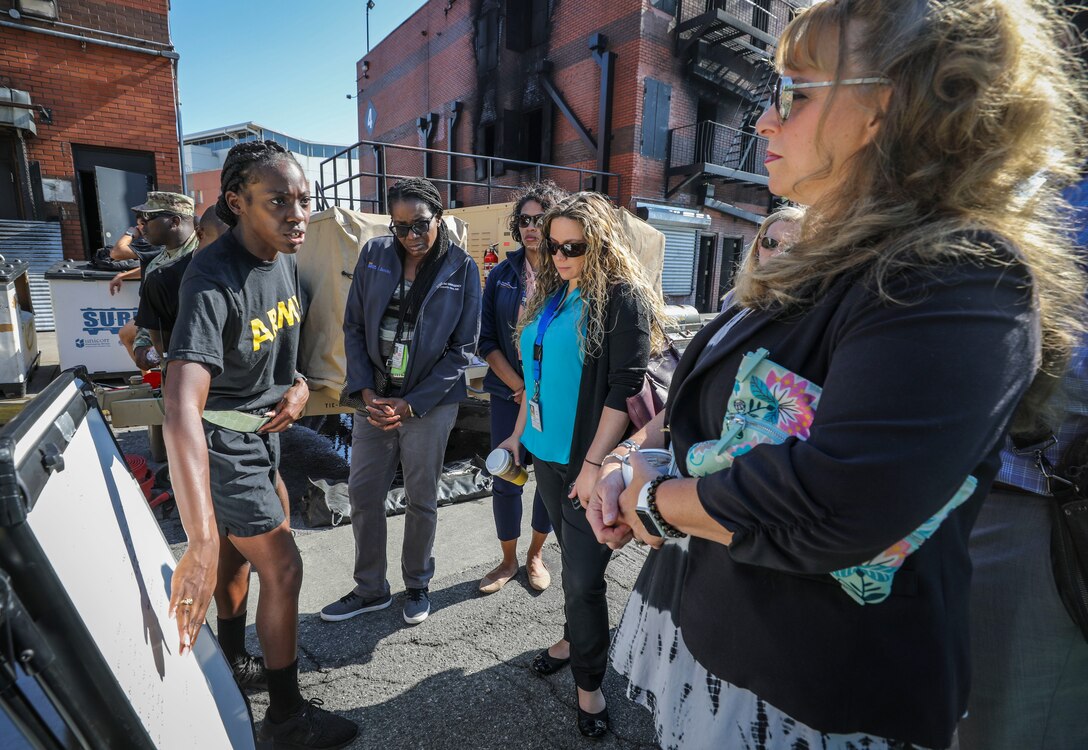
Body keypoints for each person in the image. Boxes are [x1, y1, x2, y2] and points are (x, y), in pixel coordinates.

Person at [589, 1, 1088, 748]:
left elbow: (835, 504)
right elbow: (708, 400)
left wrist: (655, 502)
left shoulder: (956, 275)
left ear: (894, 104)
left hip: (826, 693)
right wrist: (635, 458)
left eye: (794, 92)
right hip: (739, 641)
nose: (762, 121)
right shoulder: (828, 252)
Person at [164, 140, 358, 749]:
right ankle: (284, 720)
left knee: (241, 559)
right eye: (279, 202)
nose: (298, 214)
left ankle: (229, 664)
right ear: (236, 203)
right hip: (224, 444)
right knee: (284, 565)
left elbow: (278, 356)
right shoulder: (210, 279)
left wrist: (298, 386)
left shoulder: (283, 260)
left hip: (265, 436)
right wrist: (197, 540)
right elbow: (179, 406)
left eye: (304, 199)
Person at [496, 191, 668, 739]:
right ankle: (574, 640)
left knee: (585, 579)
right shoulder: (552, 295)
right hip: (546, 458)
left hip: (585, 461)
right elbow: (536, 378)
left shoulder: (621, 298)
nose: (562, 256)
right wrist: (518, 437)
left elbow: (624, 387)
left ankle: (589, 684)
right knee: (573, 564)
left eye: (575, 245)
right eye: (553, 246)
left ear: (602, 242)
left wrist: (596, 464)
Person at [321, 177, 481, 627]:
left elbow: (462, 349)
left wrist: (411, 404)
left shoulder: (461, 268)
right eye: (400, 227)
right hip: (375, 396)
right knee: (363, 492)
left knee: (421, 497)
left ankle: (417, 584)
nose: (410, 236)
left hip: (428, 403)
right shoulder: (374, 254)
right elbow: (353, 326)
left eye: (419, 225)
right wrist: (366, 391)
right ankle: (370, 587)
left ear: (439, 216)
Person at [477, 181, 566, 594]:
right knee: (506, 476)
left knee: (548, 477)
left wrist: (535, 388)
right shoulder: (501, 273)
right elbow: (487, 341)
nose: (532, 227)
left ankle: (535, 555)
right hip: (507, 393)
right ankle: (508, 560)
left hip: (552, 397)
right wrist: (519, 386)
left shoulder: (567, 271)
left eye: (540, 219)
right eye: (525, 220)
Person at [722, 206, 803, 311]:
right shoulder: (734, 298)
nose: (776, 254)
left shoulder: (812, 306)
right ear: (758, 245)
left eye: (789, 247)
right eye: (770, 243)